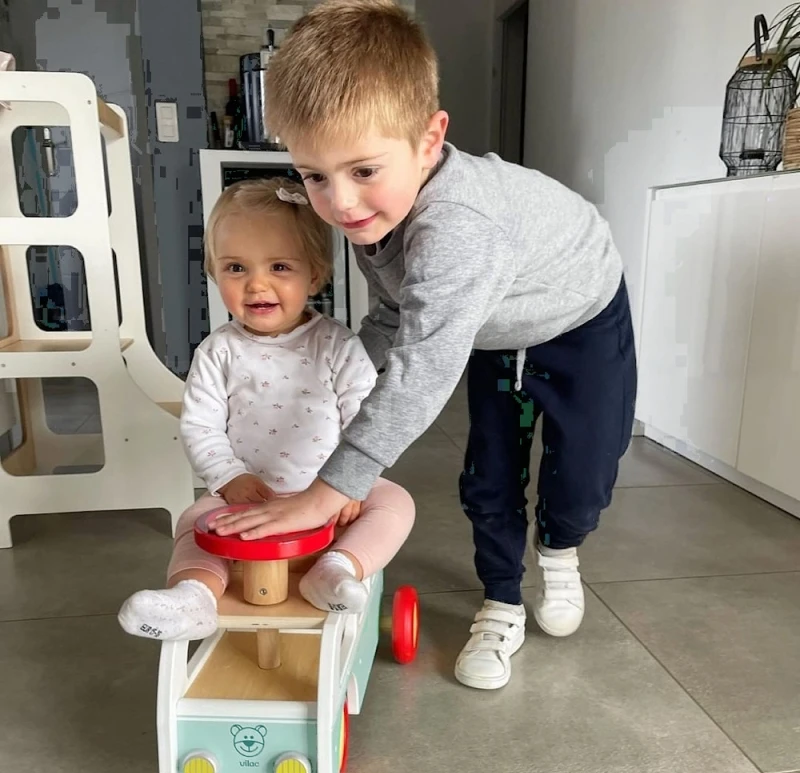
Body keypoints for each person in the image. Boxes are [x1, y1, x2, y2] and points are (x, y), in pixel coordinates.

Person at [211, 0, 637, 690]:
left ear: (430, 140)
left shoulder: (457, 229)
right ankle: (502, 600)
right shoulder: (374, 219)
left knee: (583, 474)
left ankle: (560, 548)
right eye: (315, 176)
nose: (341, 203)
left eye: (363, 171)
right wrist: (331, 380)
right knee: (489, 476)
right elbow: (392, 313)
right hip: (487, 328)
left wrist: (331, 489)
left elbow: (423, 366)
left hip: (578, 316)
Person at [118, 177, 415, 642]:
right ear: (215, 273)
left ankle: (337, 569)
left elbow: (364, 417)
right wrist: (229, 478)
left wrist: (351, 485)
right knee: (193, 520)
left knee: (395, 503)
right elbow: (200, 426)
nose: (257, 284)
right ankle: (194, 596)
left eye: (279, 266)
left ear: (314, 275)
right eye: (236, 268)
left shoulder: (337, 346)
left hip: (329, 494)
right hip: (248, 496)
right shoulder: (218, 352)